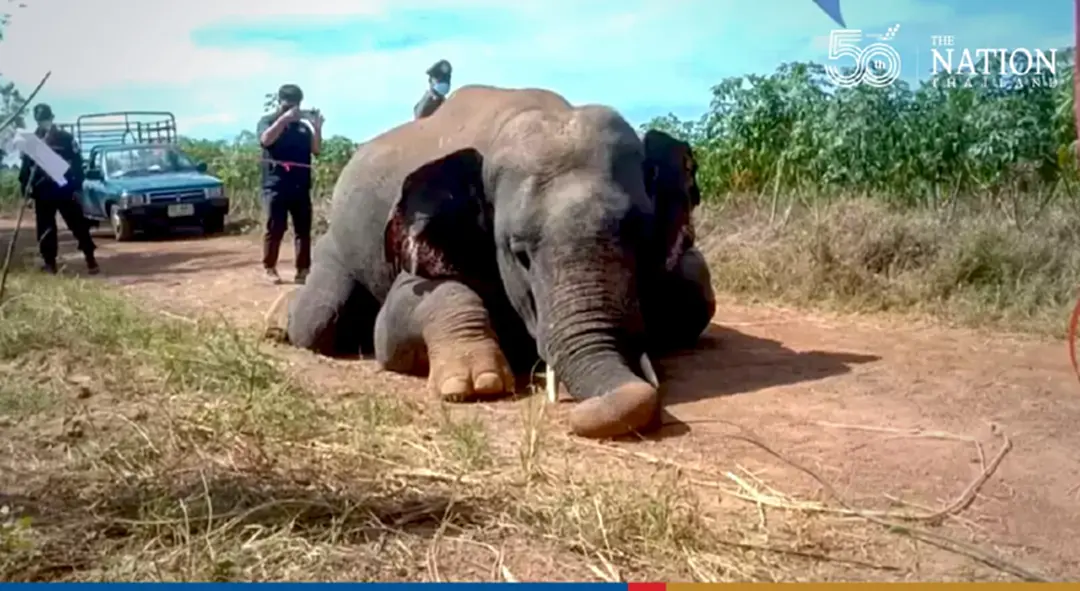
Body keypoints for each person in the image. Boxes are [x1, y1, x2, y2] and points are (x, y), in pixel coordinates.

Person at [18, 103, 99, 275]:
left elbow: (77, 163)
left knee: (77, 224)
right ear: (36, 120)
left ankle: (90, 258)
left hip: (64, 187)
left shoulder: (65, 138)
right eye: (41, 119)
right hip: (43, 191)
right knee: (46, 227)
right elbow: (25, 168)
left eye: (46, 118)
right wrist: (25, 189)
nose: (44, 122)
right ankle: (50, 263)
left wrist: (77, 186)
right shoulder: (31, 141)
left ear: (52, 118)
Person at [256, 83, 323, 285]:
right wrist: (283, 120)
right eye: (288, 106)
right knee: (275, 228)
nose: (292, 110)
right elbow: (265, 140)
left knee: (303, 230)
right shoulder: (268, 121)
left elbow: (316, 150)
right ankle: (269, 268)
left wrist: (317, 128)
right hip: (276, 184)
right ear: (280, 102)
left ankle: (303, 270)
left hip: (300, 185)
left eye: (295, 105)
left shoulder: (302, 127)